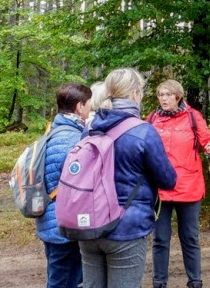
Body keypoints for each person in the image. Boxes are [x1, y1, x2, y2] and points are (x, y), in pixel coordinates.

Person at [79, 68, 177, 288]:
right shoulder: (143, 131)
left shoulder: (90, 129)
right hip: (126, 228)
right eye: (140, 91)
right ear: (134, 94)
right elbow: (168, 180)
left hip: (90, 225)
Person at [147, 80, 210, 288]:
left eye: (168, 94)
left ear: (178, 97)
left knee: (190, 238)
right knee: (160, 239)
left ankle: (195, 281)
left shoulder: (193, 117)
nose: (163, 98)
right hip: (161, 189)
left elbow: (208, 139)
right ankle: (159, 282)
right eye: (161, 95)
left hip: (189, 188)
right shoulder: (152, 119)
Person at [37, 82, 92, 288]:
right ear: (80, 106)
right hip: (64, 226)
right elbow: (78, 182)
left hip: (52, 220)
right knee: (64, 281)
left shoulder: (54, 130)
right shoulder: (71, 138)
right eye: (89, 105)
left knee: (60, 277)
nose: (90, 110)